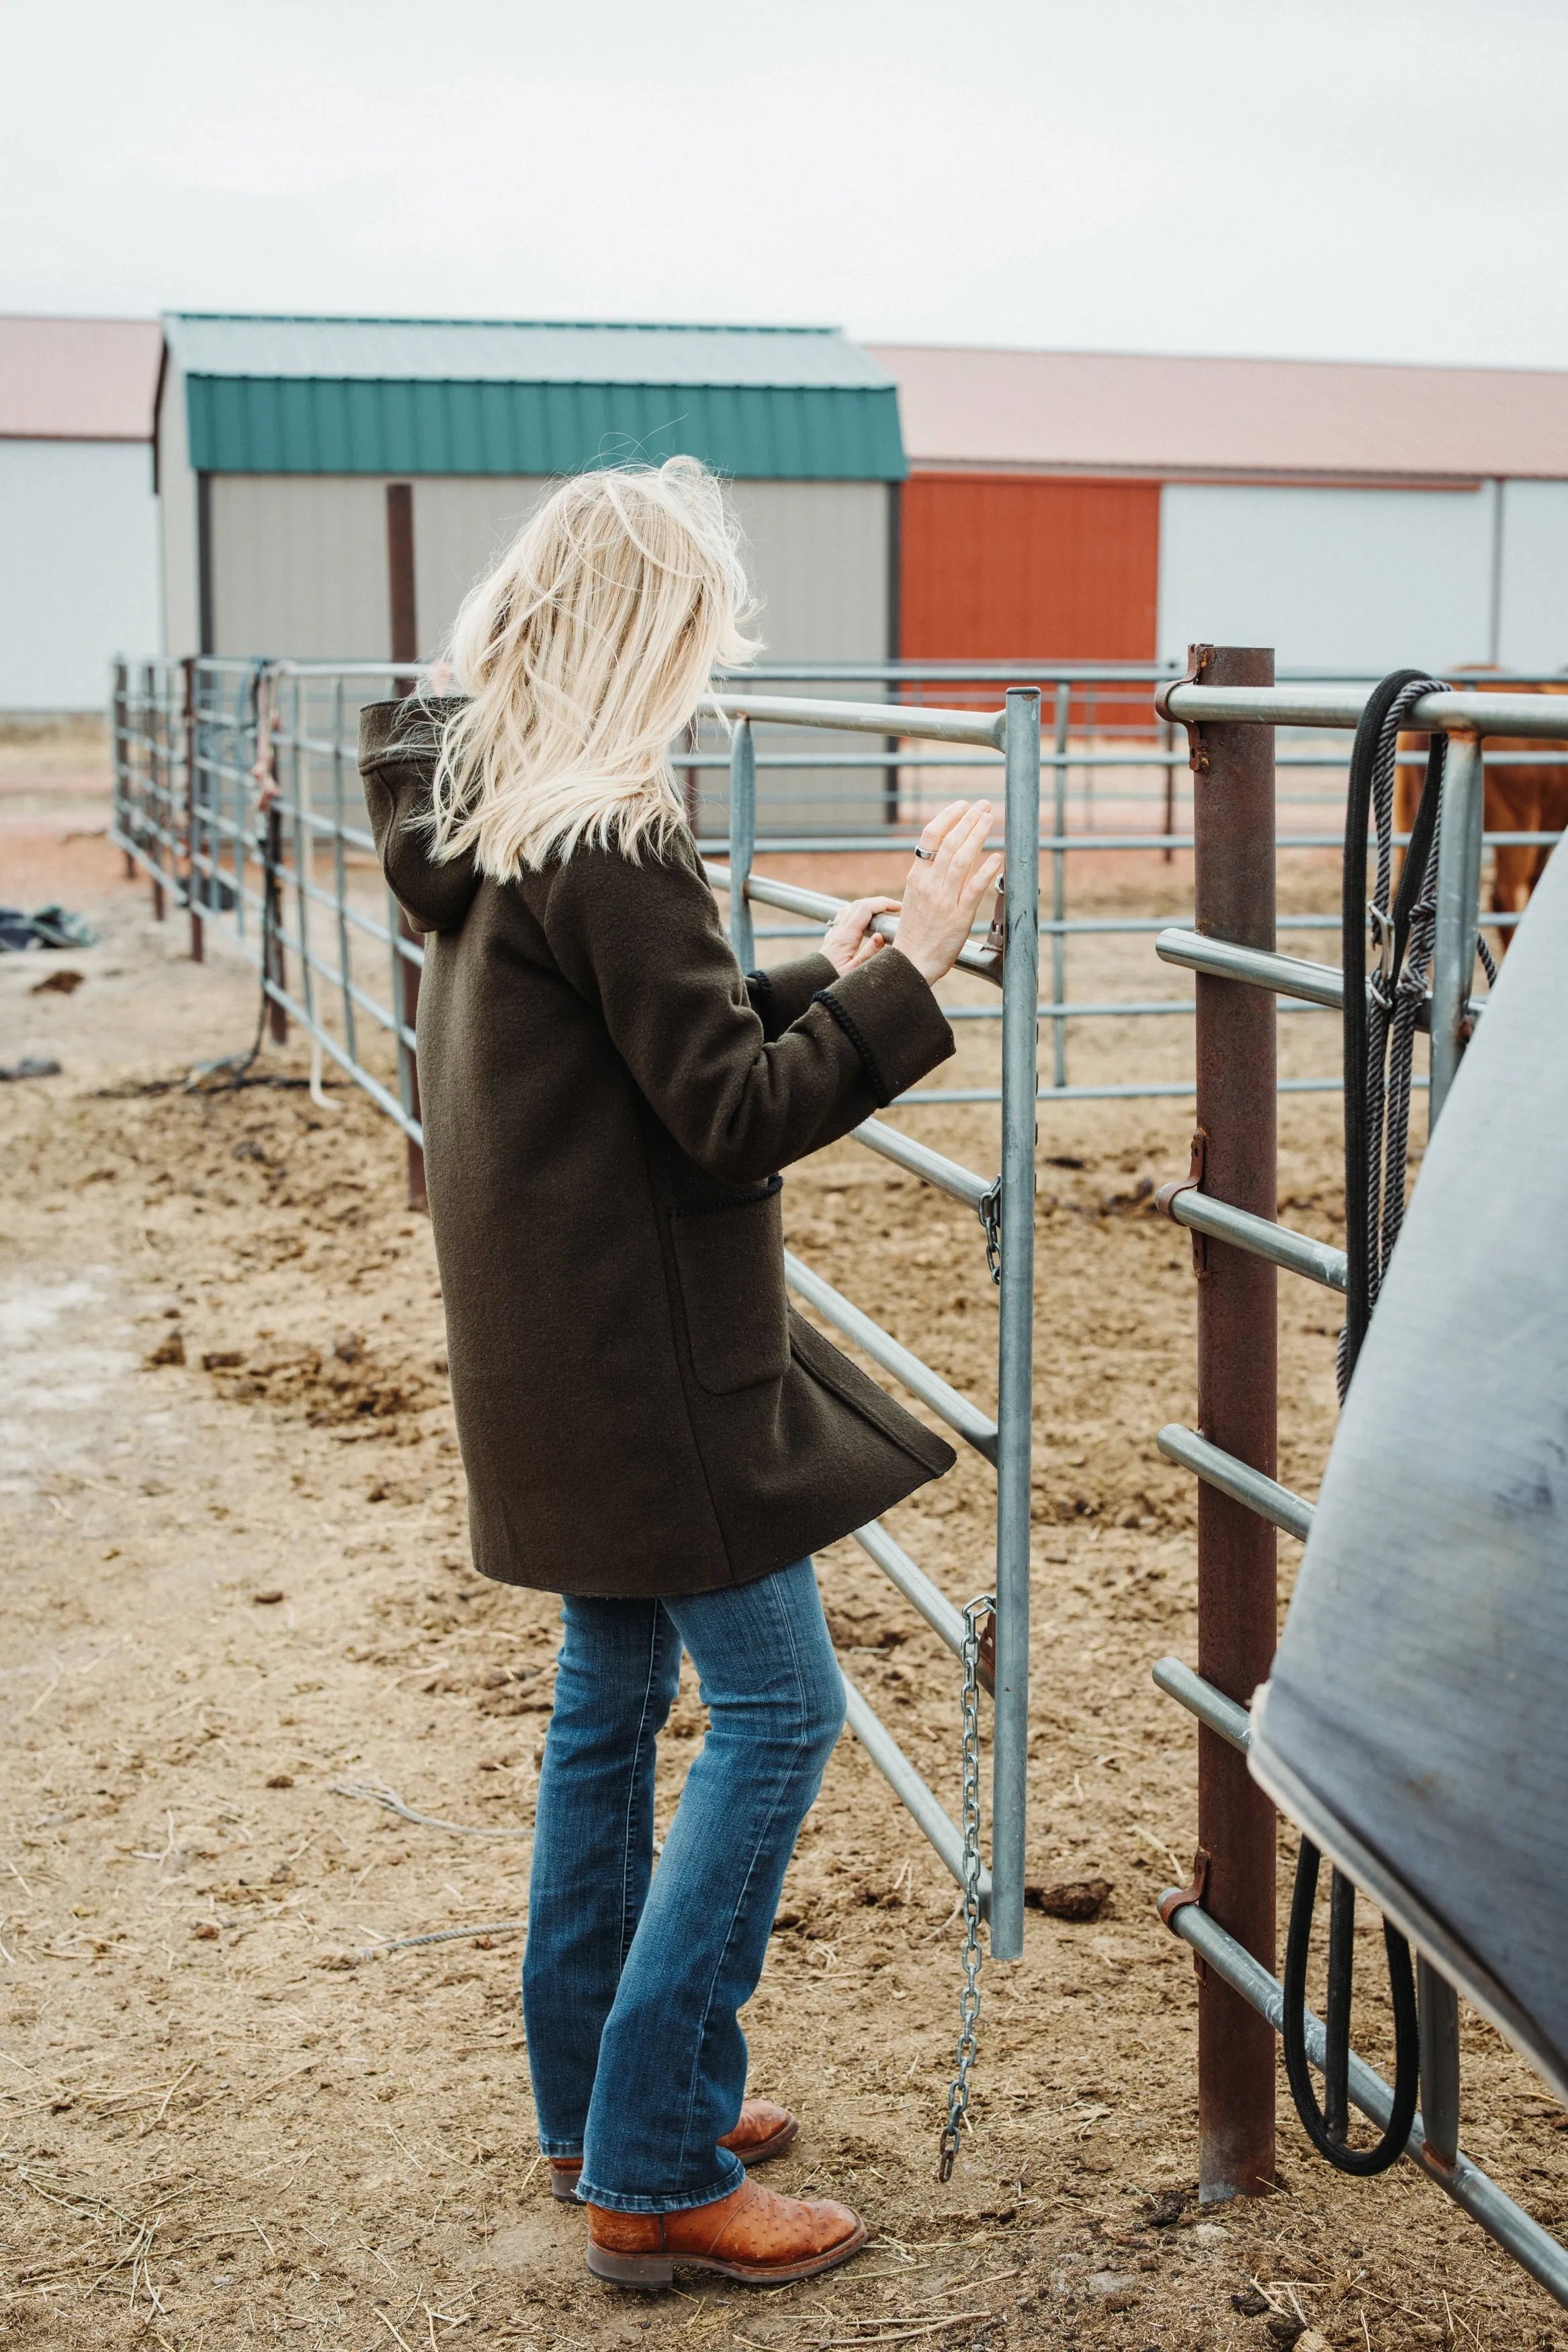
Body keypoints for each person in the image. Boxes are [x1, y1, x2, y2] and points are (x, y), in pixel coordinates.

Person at [361, 458, 1002, 2292]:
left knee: (608, 1703)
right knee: (781, 1714)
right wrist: (918, 976)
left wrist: (826, 966)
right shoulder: (617, 833)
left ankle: (600, 2103)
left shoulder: (496, 825)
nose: (711, 677)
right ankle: (651, 2157)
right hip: (656, 1375)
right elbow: (726, 1119)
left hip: (556, 1363)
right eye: (704, 640)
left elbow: (654, 1049)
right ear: (657, 638)